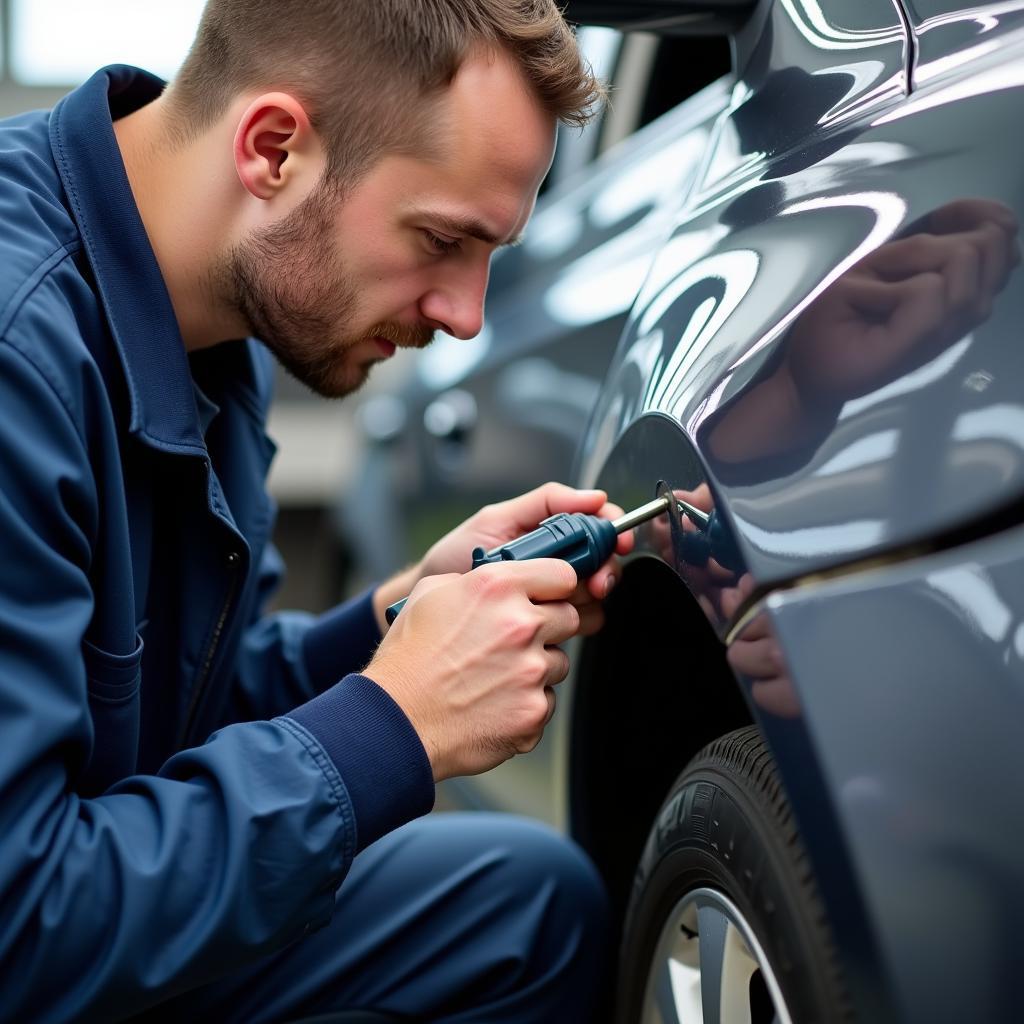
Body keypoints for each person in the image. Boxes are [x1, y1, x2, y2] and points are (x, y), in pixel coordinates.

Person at [0, 2, 628, 1020]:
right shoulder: (18, 351)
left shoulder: (216, 323)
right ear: (274, 149)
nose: (465, 315)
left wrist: (393, 621)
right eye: (440, 239)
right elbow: (20, 923)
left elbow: (166, 723)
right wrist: (396, 722)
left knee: (522, 906)